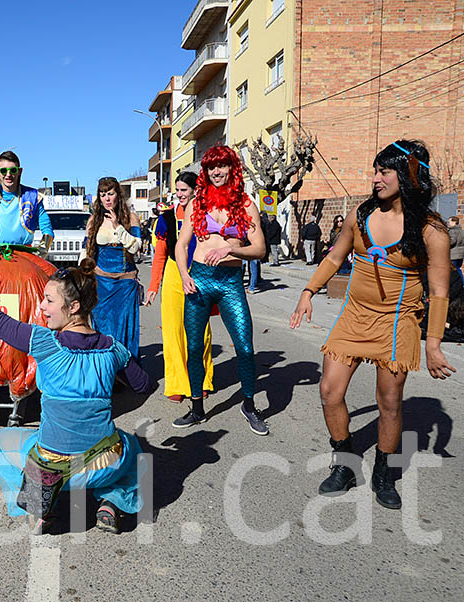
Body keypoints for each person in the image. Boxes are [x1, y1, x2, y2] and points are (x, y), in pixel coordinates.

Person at [290, 140, 455, 510]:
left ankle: (383, 472)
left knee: (389, 401)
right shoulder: (360, 215)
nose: (376, 178)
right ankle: (345, 463)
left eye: (385, 171)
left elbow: (440, 291)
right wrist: (307, 291)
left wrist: (432, 343)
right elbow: (335, 256)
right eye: (376, 170)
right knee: (329, 391)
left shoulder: (432, 231)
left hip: (398, 322)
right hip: (354, 316)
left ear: (410, 176)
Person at [0, 228, 152, 534]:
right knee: (131, 445)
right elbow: (144, 386)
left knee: (1, 440)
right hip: (103, 463)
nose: (41, 306)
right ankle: (110, 503)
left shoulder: (45, 342)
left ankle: (39, 506)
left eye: (49, 300)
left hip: (53, 467)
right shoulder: (115, 348)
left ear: (73, 307)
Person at [174, 145, 268, 434]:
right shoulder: (197, 202)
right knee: (193, 347)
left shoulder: (245, 204)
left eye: (222, 166)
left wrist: (232, 249)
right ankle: (197, 408)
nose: (216, 172)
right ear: (206, 171)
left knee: (245, 346)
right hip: (199, 280)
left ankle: (249, 405)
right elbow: (180, 244)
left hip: (229, 282)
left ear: (232, 168)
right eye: (211, 167)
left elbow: (260, 249)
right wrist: (183, 275)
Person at [145, 171, 215, 402]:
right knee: (173, 331)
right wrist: (154, 285)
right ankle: (176, 382)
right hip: (174, 275)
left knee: (200, 332)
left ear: (196, 190)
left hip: (200, 272)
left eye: (184, 189)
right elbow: (160, 255)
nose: (180, 194)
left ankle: (201, 380)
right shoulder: (166, 218)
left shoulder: (207, 214)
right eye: (178, 190)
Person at [81, 176, 142, 357]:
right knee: (103, 327)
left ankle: (125, 371)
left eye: (110, 194)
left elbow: (136, 247)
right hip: (102, 284)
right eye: (102, 194)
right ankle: (107, 371)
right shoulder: (94, 220)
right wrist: (81, 275)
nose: (107, 198)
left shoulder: (130, 218)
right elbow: (86, 251)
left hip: (125, 285)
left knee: (124, 329)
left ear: (118, 195)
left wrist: (117, 226)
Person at [0, 150, 55, 253]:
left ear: (20, 171)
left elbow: (47, 228)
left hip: (25, 255)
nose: (8, 175)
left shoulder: (33, 197)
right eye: (3, 171)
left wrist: (43, 249)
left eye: (13, 170)